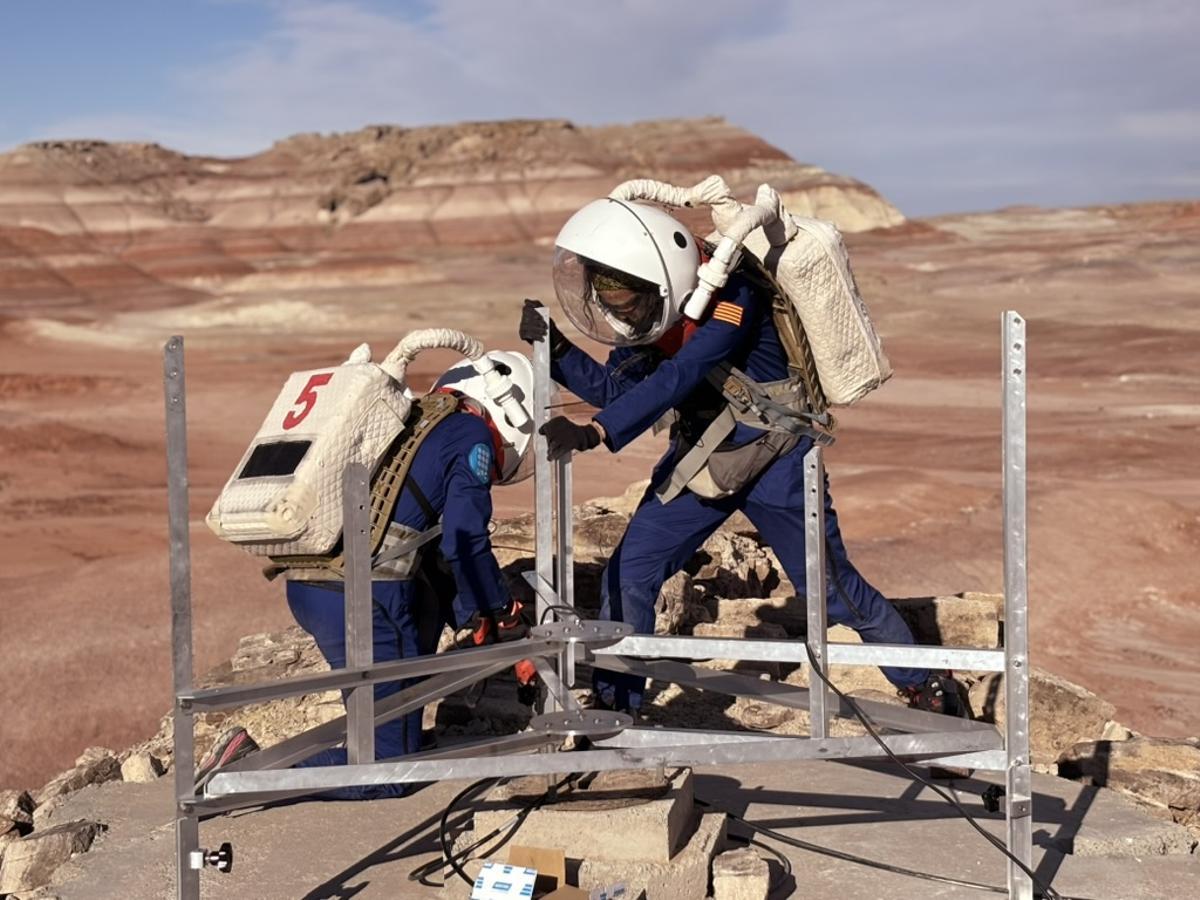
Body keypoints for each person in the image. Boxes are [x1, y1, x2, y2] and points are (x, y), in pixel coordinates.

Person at [520, 196, 963, 719]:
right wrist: (561, 351)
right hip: (706, 460)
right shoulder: (658, 314)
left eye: (628, 306)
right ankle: (619, 708)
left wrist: (597, 432)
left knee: (831, 590)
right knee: (630, 574)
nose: (625, 317)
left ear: (661, 281)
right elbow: (621, 390)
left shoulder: (734, 297)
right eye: (614, 307)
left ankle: (925, 684)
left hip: (776, 460)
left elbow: (681, 374)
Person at [195, 351, 538, 799]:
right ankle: (241, 776)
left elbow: (430, 547)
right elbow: (463, 538)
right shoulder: (469, 434)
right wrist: (503, 611)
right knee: (387, 771)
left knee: (399, 718)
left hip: (315, 585)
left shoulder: (415, 422)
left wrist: (476, 616)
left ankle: (393, 739)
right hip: (366, 601)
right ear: (507, 410)